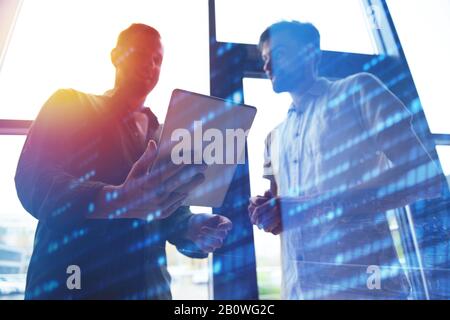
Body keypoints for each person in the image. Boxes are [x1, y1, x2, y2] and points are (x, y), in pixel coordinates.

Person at [15, 23, 232, 300]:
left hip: (148, 289)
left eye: (158, 60)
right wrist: (116, 200)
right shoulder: (69, 104)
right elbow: (34, 180)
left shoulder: (164, 133)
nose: (150, 66)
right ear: (115, 56)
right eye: (141, 54)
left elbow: (167, 214)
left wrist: (194, 226)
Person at [248, 21, 445, 299]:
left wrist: (311, 206)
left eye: (277, 55)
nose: (267, 66)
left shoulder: (359, 91)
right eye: (265, 59)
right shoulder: (272, 138)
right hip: (297, 291)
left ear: (311, 53)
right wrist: (266, 210)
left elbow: (425, 179)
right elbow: (284, 215)